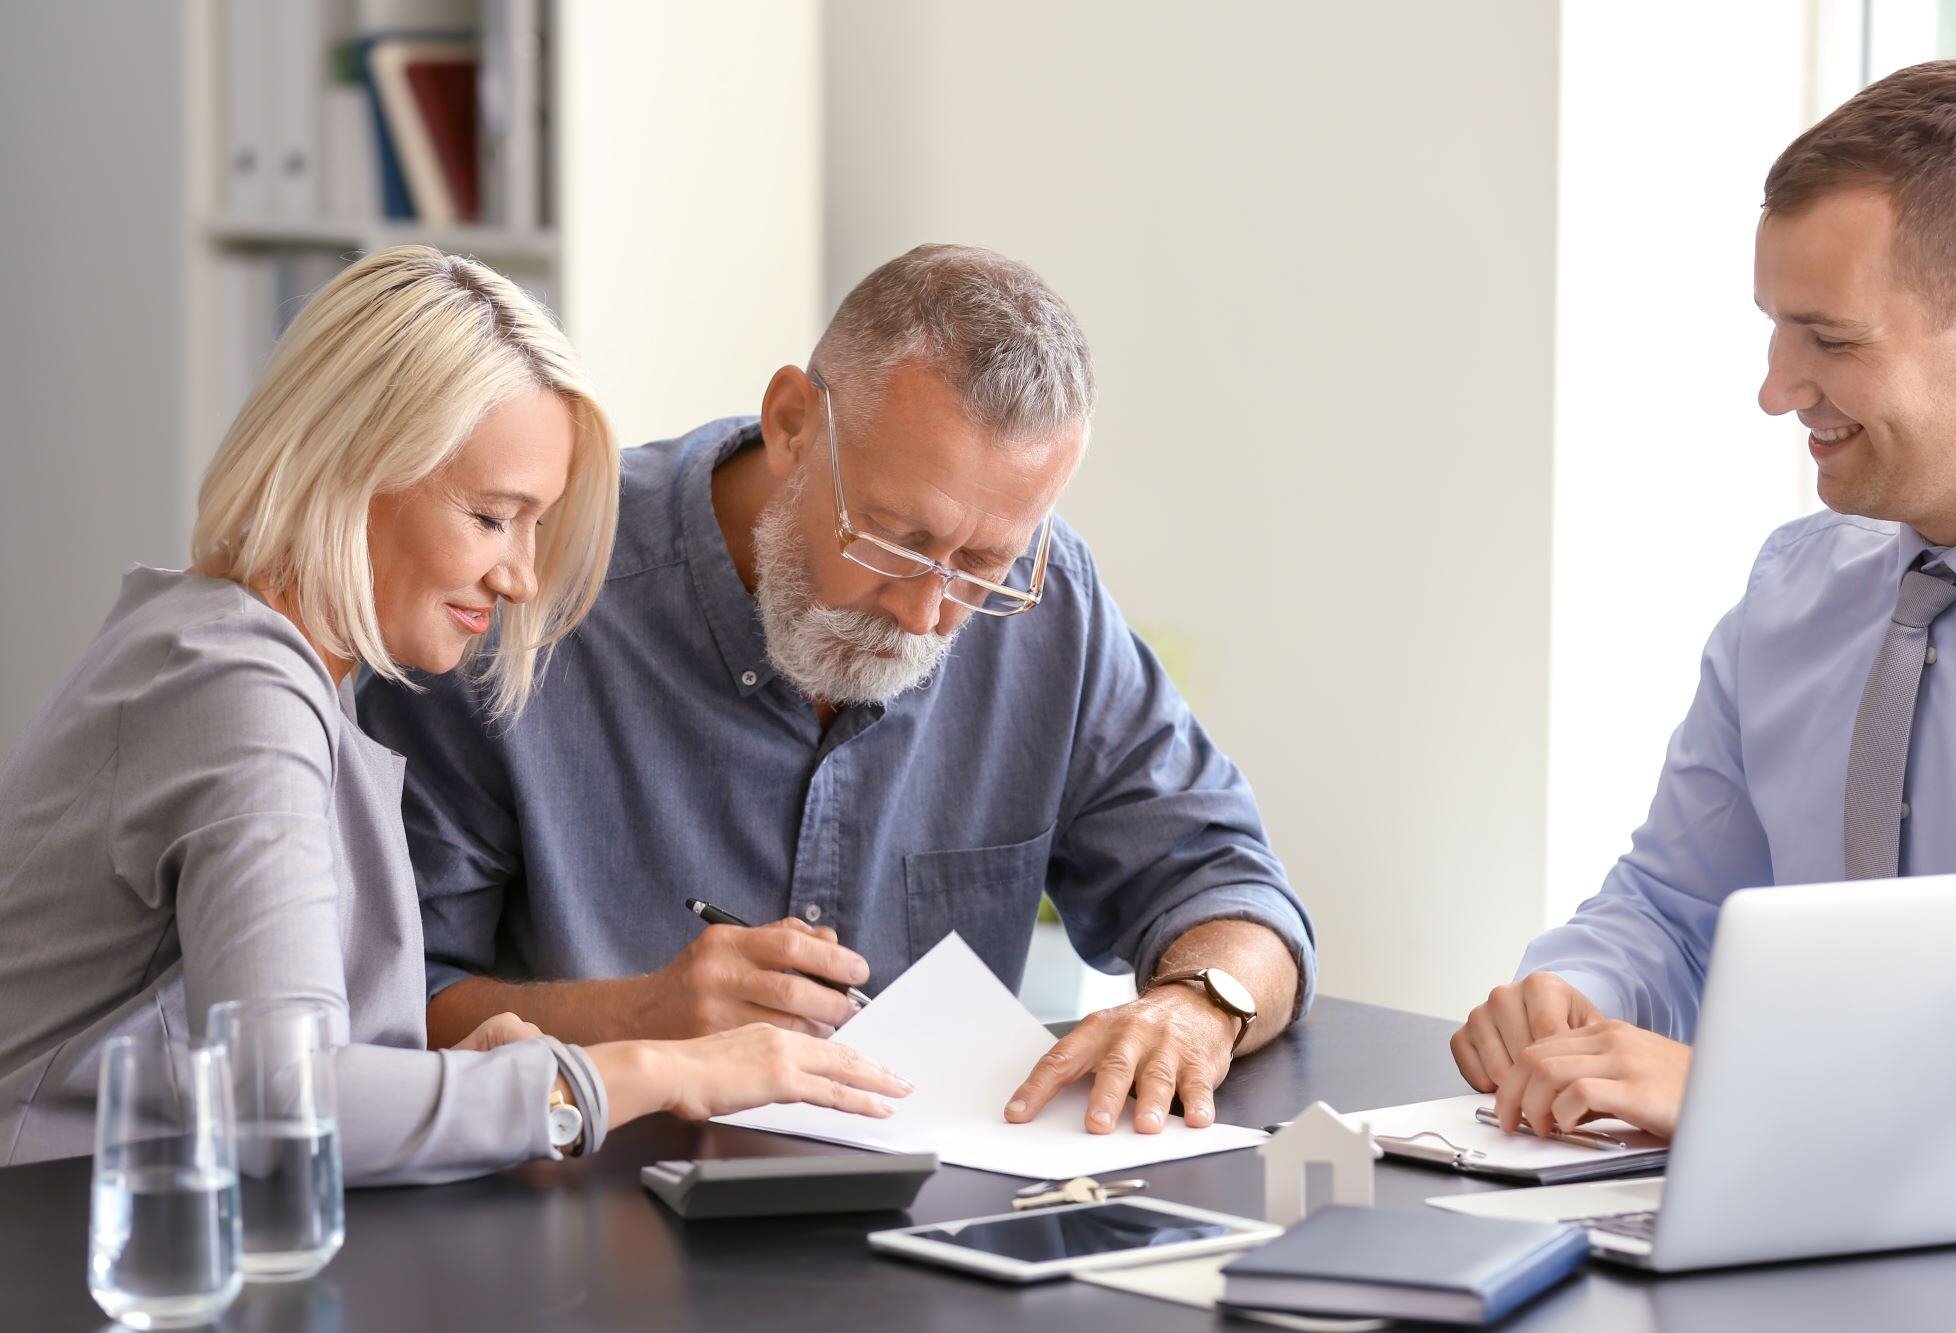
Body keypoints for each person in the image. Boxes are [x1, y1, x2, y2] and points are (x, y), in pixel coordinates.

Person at [360, 244, 1316, 1135]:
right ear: (791, 427)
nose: (926, 611)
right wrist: (636, 1014)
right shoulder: (522, 590)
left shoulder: (1046, 606)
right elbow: (388, 1013)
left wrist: (1202, 1003)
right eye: (898, 538)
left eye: (985, 562)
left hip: (931, 1238)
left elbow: (1227, 884)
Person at [0, 247, 907, 1182]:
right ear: (348, 465)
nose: (519, 577)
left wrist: (483, 1084)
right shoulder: (236, 690)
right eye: (490, 517)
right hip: (59, 1243)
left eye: (535, 525)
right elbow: (283, 1102)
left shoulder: (277, 670)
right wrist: (651, 1068)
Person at [1450, 59, 1956, 1141]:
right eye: (1775, 326)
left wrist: (1742, 1098)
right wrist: (1577, 995)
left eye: (1830, 340)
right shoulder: (1798, 594)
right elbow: (1677, 909)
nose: (1774, 388)